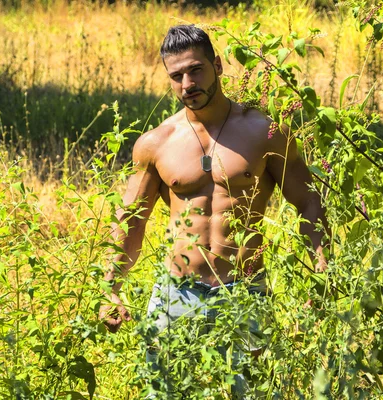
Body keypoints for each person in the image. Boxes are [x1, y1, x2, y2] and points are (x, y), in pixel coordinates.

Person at [99, 24, 329, 395]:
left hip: (244, 293)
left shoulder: (263, 132)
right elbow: (131, 221)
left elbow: (308, 201)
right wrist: (110, 287)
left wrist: (323, 272)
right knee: (164, 392)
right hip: (176, 294)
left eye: (196, 70)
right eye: (176, 76)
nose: (187, 83)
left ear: (218, 66)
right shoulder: (156, 144)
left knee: (247, 393)